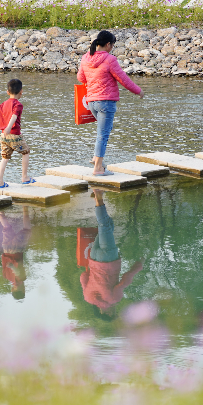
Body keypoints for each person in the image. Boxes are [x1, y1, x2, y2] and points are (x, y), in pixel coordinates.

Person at [76, 30, 143, 176]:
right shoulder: (109, 59)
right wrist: (138, 91)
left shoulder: (86, 57)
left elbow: (81, 78)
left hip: (92, 102)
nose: (112, 47)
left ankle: (96, 158)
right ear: (107, 44)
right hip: (106, 102)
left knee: (104, 131)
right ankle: (98, 168)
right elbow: (123, 79)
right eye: (112, 45)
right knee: (103, 134)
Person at [80, 188, 144, 319]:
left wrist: (138, 266)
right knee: (107, 226)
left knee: (104, 226)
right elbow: (83, 276)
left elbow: (125, 280)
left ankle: (98, 197)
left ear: (107, 313)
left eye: (114, 312)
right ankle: (97, 200)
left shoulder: (113, 300)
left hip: (109, 258)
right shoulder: (87, 297)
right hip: (94, 257)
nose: (115, 309)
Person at [0, 79, 34, 188]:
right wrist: (9, 128)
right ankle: (25, 177)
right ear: (21, 91)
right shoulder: (18, 104)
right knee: (26, 152)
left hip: (3, 135)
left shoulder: (2, 104)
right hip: (14, 135)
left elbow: (0, 118)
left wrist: (4, 130)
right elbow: (14, 116)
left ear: (7, 92)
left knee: (5, 157)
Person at [0, 207, 32, 300]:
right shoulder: (6, 276)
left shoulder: (21, 280)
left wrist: (12, 266)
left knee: (27, 230)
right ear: (12, 290)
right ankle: (0, 210)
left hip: (16, 249)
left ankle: (25, 207)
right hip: (5, 249)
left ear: (23, 291)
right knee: (6, 227)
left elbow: (17, 272)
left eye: (24, 291)